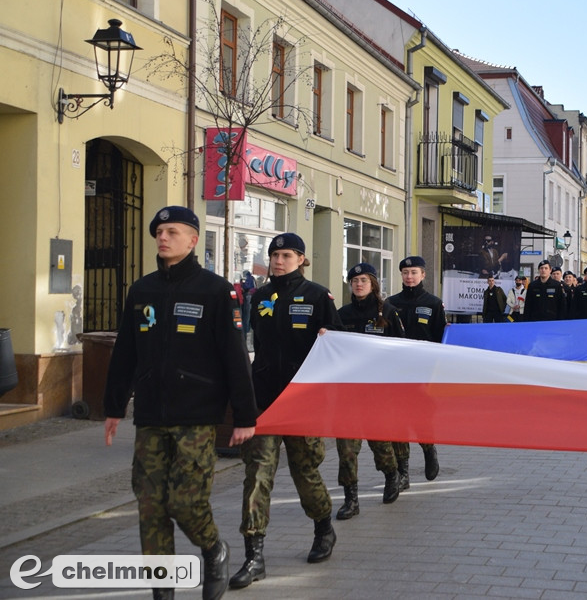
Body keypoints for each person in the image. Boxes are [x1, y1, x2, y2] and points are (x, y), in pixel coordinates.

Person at [103, 206, 258, 600]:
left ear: (192, 240)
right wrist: (113, 406)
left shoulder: (215, 290)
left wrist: (244, 415)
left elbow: (234, 356)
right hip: (151, 415)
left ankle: (213, 548)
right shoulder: (142, 290)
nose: (163, 237)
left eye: (173, 231)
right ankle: (163, 590)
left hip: (197, 414)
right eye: (159, 231)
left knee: (186, 502)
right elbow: (125, 351)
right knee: (151, 505)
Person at [230, 233, 339, 590]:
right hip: (264, 401)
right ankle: (254, 555)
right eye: (274, 254)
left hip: (301, 400)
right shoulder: (261, 296)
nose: (278, 260)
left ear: (301, 259)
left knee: (305, 472)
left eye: (286, 255)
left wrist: (328, 336)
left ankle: (323, 526)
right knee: (257, 476)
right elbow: (254, 342)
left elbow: (336, 346)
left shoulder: (318, 296)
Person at [335, 263, 406, 518]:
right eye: (354, 280)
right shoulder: (341, 314)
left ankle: (391, 474)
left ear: (373, 283)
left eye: (363, 279)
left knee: (381, 444)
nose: (358, 284)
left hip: (378, 392)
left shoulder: (388, 312)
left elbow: (401, 350)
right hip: (349, 392)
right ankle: (350, 499)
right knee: (346, 450)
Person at [386, 255, 444, 483]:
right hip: (397, 371)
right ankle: (403, 471)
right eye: (405, 273)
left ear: (423, 275)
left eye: (414, 273)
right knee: (398, 420)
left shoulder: (433, 303)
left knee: (420, 416)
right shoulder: (390, 303)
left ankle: (429, 450)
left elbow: (441, 338)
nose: (409, 277)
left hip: (423, 370)